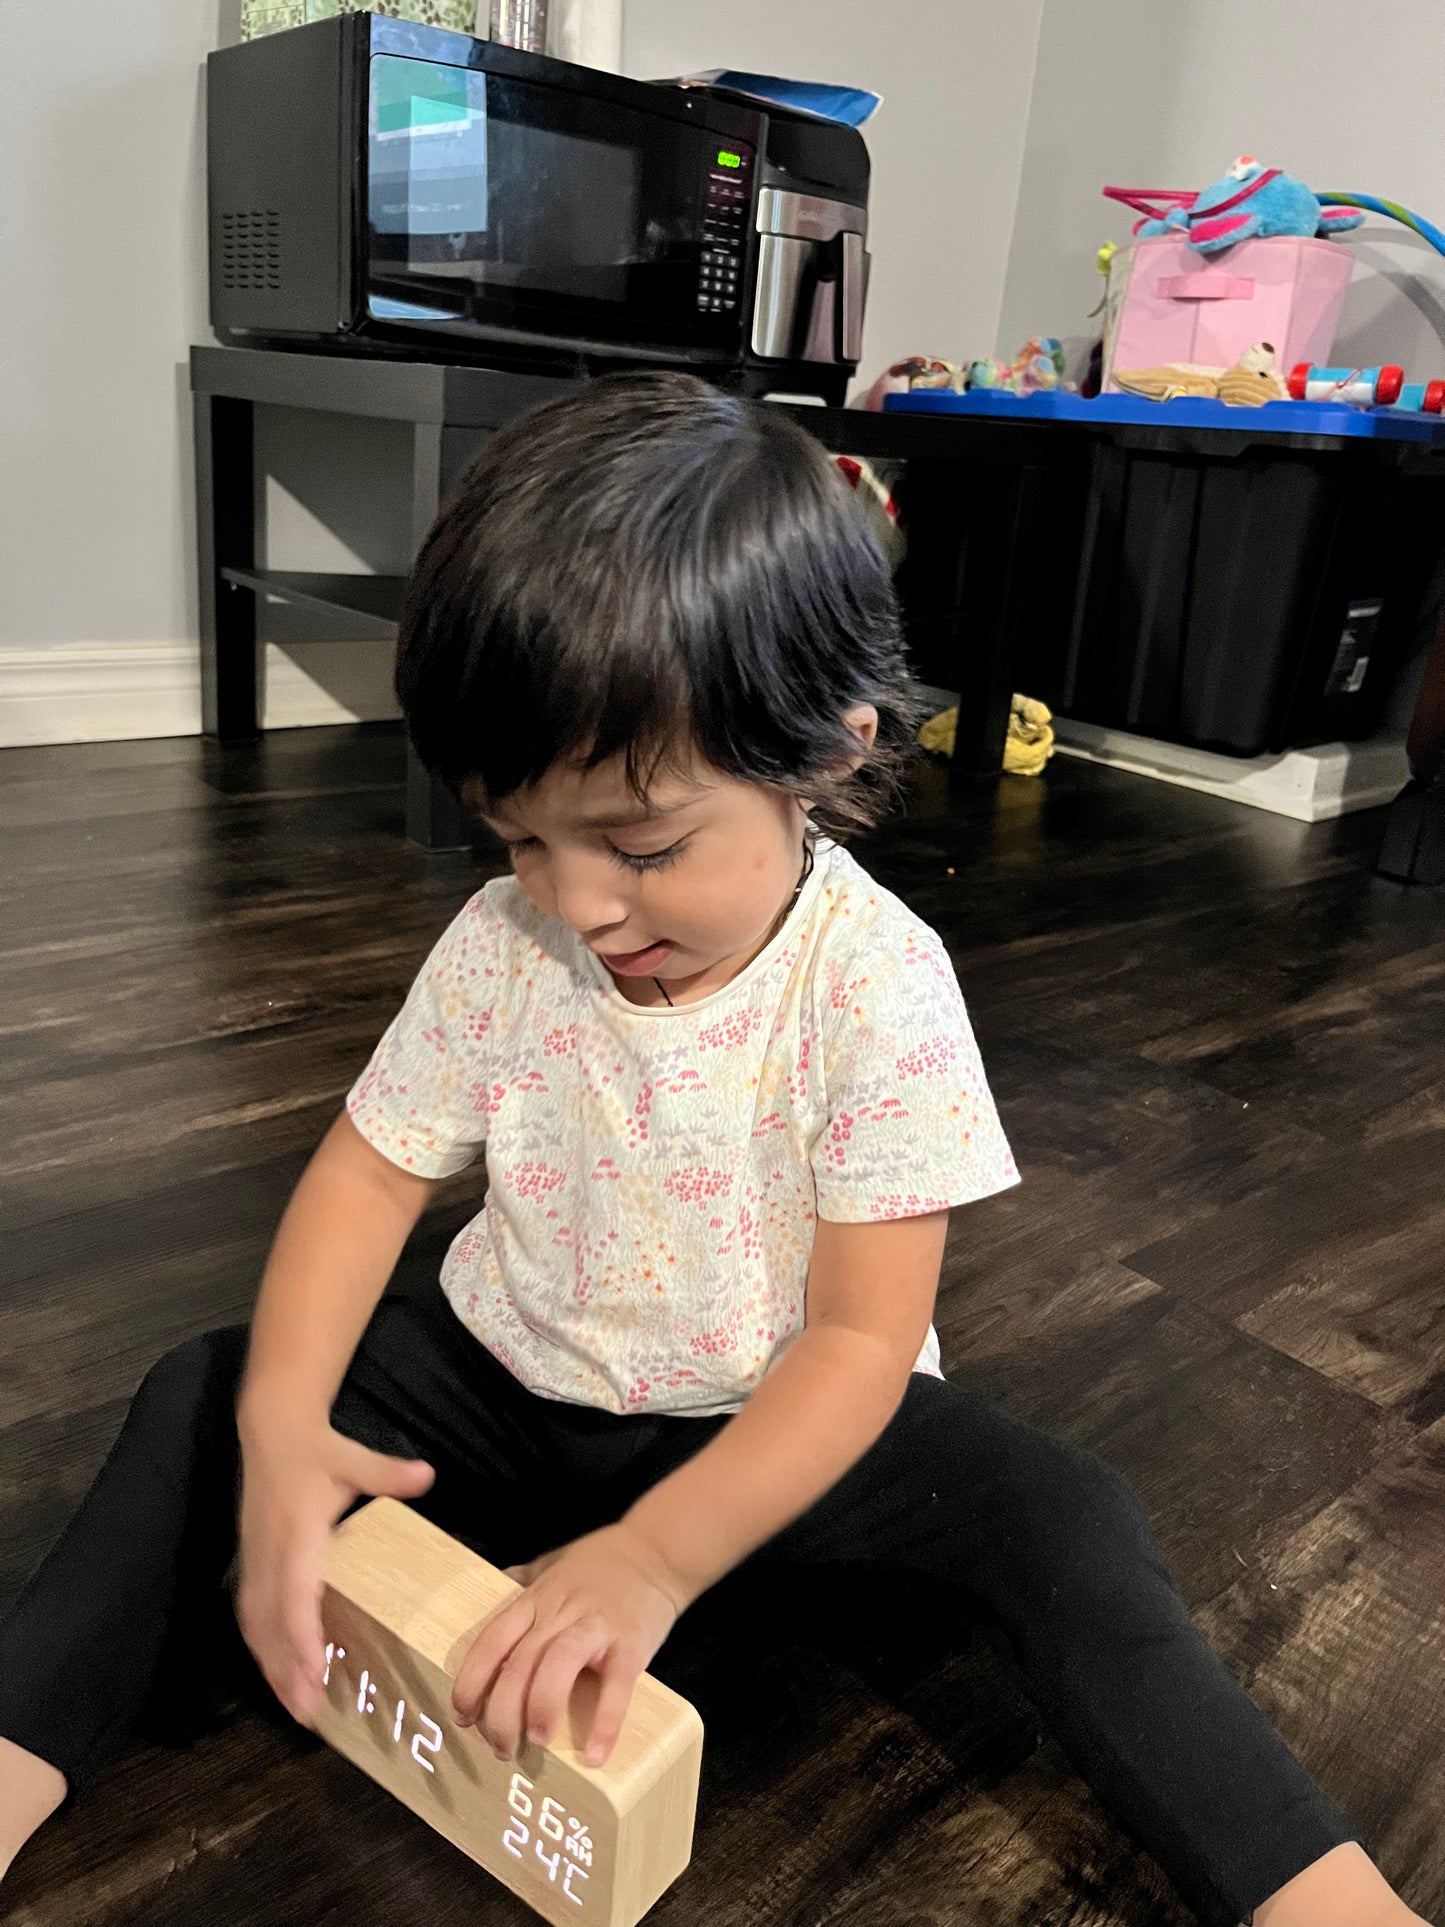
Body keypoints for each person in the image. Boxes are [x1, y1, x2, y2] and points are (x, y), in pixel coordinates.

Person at [0, 374, 1428, 1927]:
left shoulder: (873, 983)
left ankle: (1318, 1896)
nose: (576, 905)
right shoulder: (504, 945)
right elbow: (367, 1174)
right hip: (508, 1374)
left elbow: (864, 1342)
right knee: (207, 1387)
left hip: (772, 1417)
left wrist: (656, 1560)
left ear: (823, 752)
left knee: (1064, 1516)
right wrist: (283, 1433)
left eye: (641, 844)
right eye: (519, 837)